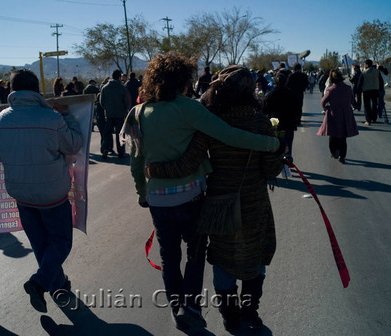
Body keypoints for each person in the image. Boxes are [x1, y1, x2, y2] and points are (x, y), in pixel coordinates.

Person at [121, 53, 284, 330]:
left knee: (208, 257)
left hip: (211, 204)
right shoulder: (254, 124)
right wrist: (274, 146)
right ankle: (242, 311)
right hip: (247, 204)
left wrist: (148, 182)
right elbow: (265, 165)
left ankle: (209, 313)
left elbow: (171, 160)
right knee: (247, 255)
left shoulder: (153, 113)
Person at [0, 69, 83, 313]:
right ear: (36, 90)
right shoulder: (51, 118)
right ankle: (38, 282)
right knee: (61, 243)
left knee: (41, 245)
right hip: (52, 194)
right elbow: (73, 144)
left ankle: (58, 285)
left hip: (21, 194)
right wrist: (68, 116)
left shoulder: (1, 119)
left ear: (11, 91)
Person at [317, 69, 359, 164]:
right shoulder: (348, 88)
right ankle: (342, 155)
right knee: (343, 137)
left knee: (333, 135)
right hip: (346, 114)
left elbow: (323, 102)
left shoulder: (331, 90)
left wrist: (326, 108)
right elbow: (352, 100)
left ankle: (334, 152)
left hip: (333, 114)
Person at [262, 72, 299, 160]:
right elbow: (297, 108)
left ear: (274, 82)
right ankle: (287, 157)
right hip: (289, 123)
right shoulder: (291, 93)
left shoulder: (271, 94)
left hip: (276, 124)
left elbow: (265, 110)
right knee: (288, 144)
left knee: (276, 146)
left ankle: (277, 160)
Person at [100, 69, 131, 159]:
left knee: (107, 133)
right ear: (119, 77)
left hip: (109, 114)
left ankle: (105, 149)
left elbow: (102, 102)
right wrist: (125, 109)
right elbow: (127, 101)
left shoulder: (105, 88)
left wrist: (107, 109)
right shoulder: (122, 88)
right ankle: (121, 153)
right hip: (120, 114)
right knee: (120, 134)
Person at [359, 60, 382, 125]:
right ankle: (374, 118)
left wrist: (358, 91)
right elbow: (381, 81)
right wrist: (380, 89)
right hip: (375, 89)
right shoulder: (377, 72)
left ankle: (368, 120)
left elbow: (360, 83)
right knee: (374, 104)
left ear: (366, 65)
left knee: (367, 105)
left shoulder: (363, 73)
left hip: (366, 90)